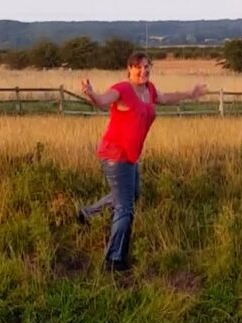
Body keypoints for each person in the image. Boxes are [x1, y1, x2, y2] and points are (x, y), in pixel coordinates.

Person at [78, 52, 207, 271]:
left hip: (131, 156)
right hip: (115, 155)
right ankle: (114, 260)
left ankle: (86, 214)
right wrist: (91, 94)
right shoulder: (123, 89)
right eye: (138, 67)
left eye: (147, 67)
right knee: (125, 208)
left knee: (131, 195)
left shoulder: (150, 90)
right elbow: (101, 101)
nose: (143, 71)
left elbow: (166, 98)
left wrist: (190, 94)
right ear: (129, 69)